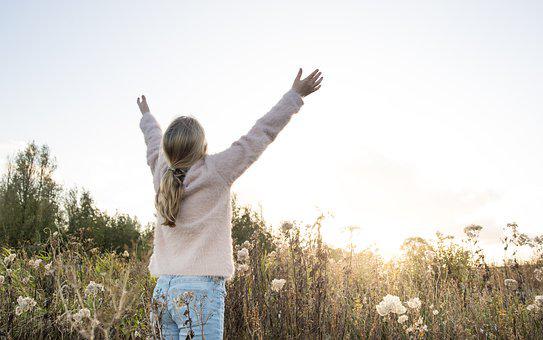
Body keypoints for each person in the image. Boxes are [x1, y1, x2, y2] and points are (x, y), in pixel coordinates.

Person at [138, 68, 323, 339]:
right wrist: (295, 96)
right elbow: (259, 134)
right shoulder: (216, 170)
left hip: (163, 291)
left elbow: (153, 141)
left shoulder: (160, 172)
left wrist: (146, 116)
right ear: (202, 146)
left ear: (169, 148)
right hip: (200, 290)